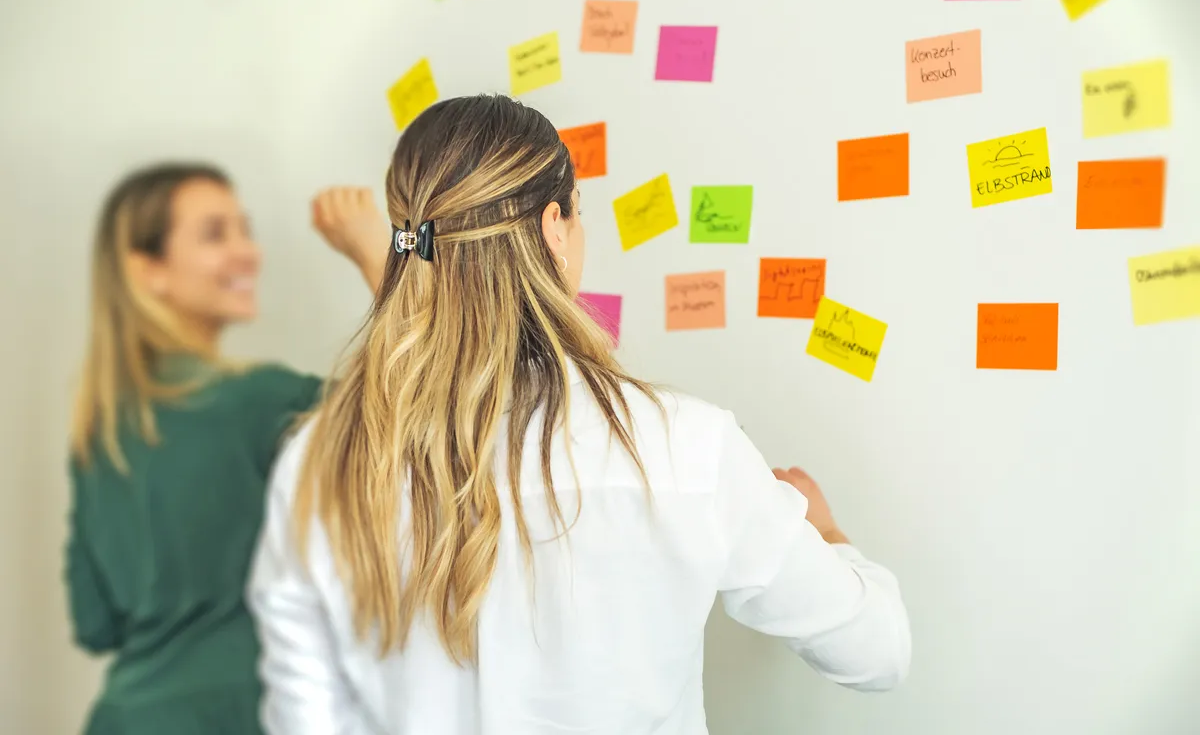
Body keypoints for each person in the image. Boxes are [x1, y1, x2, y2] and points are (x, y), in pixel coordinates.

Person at [249, 95, 912, 734]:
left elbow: (302, 711)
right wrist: (827, 533)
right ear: (553, 228)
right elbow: (878, 653)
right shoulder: (687, 448)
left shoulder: (320, 461)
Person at [64, 163, 391, 735]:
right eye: (216, 235)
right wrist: (377, 249)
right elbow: (428, 403)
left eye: (246, 230)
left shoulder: (100, 431)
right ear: (147, 271)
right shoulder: (256, 402)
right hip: (237, 715)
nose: (249, 252)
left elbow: (94, 625)